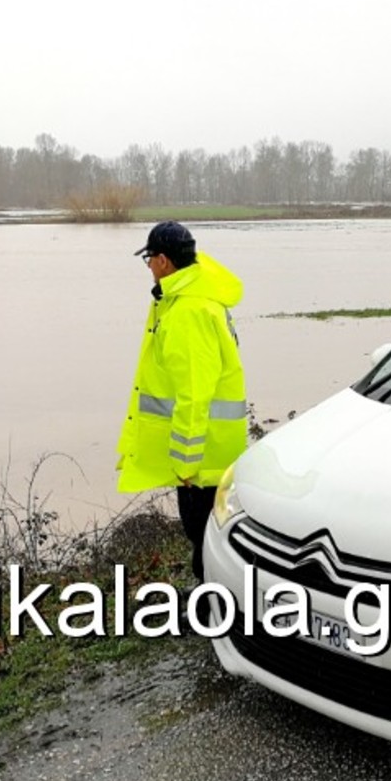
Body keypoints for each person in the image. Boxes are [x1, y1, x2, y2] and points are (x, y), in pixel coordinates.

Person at [116, 221, 248, 583]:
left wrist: (185, 464)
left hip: (202, 458)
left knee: (205, 537)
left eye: (148, 260)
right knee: (208, 537)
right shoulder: (192, 299)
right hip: (212, 449)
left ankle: (212, 608)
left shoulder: (188, 312)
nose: (148, 268)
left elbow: (194, 392)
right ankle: (213, 599)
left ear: (162, 261)